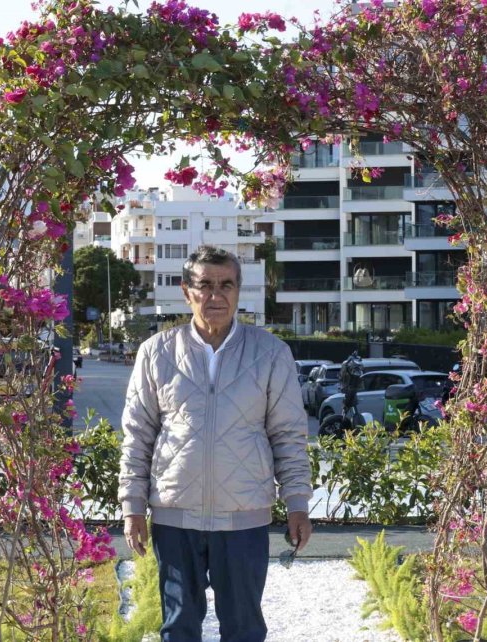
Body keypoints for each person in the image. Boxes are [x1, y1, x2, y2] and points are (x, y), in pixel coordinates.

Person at [119, 245, 312, 642]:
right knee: (179, 628)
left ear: (239, 291)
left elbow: (289, 435)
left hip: (244, 519)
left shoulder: (270, 354)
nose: (215, 295)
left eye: (225, 285)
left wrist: (297, 502)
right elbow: (137, 435)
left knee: (243, 630)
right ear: (187, 292)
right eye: (204, 285)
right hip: (175, 518)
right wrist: (132, 507)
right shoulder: (156, 353)